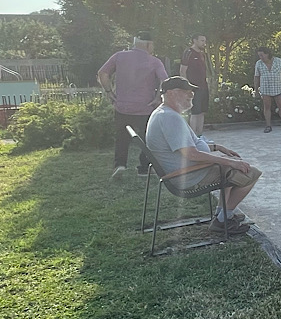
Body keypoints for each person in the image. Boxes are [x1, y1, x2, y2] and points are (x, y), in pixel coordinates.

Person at [145, 76, 262, 236]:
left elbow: (190, 145)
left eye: (191, 91)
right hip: (187, 177)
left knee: (230, 166)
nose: (191, 94)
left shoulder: (164, 113)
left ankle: (222, 215)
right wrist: (229, 162)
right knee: (250, 173)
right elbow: (192, 154)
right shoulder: (170, 118)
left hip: (186, 171)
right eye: (186, 91)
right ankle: (223, 220)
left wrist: (218, 147)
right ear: (171, 93)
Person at [99, 32, 169, 179]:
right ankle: (144, 167)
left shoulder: (119, 56)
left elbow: (103, 73)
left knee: (122, 138)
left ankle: (120, 165)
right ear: (149, 44)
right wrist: (158, 98)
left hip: (122, 106)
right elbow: (165, 81)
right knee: (147, 139)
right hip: (145, 107)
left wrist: (109, 92)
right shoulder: (154, 61)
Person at [253, 46, 281, 133]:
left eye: (262, 55)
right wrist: (256, 90)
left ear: (267, 54)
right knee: (267, 107)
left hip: (277, 88)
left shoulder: (279, 61)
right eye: (259, 55)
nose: (261, 57)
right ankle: (268, 126)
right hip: (265, 89)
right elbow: (256, 77)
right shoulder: (259, 63)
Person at [178, 33, 211, 135]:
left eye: (205, 41)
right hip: (193, 87)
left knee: (202, 111)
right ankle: (193, 136)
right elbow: (182, 71)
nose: (204, 43)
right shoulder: (188, 53)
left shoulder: (202, 54)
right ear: (195, 41)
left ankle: (200, 135)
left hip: (203, 86)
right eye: (202, 41)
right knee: (195, 112)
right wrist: (187, 87)